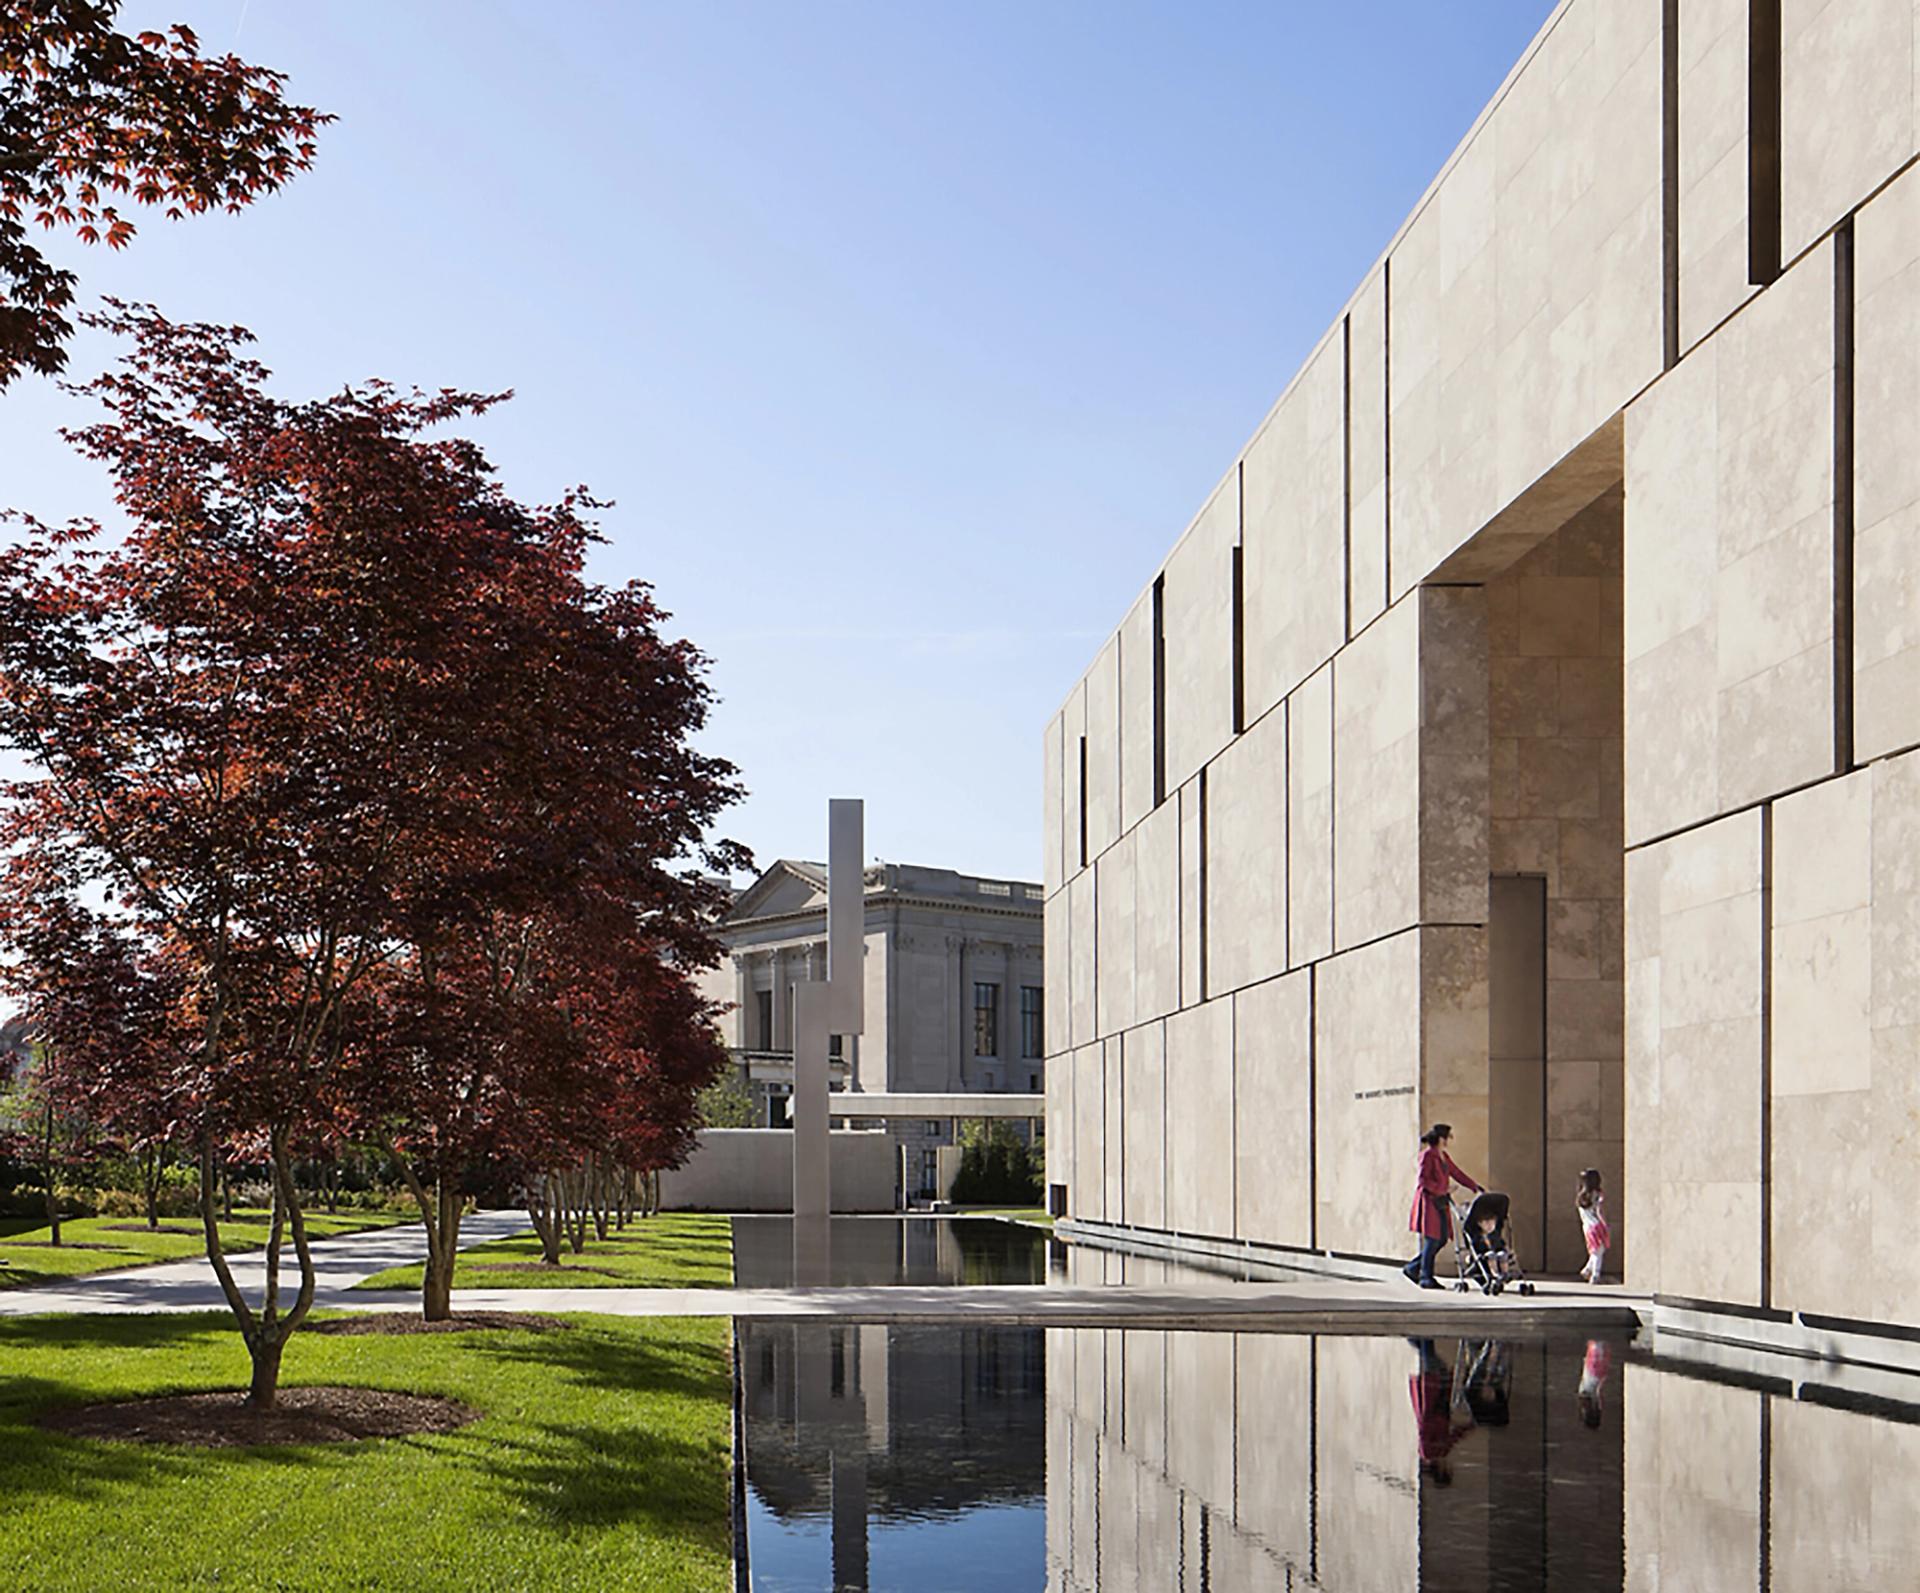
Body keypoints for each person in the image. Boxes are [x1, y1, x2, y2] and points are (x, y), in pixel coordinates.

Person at [1402, 1123, 1481, 1288]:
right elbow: (1423, 1181)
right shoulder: (1427, 1155)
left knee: (1442, 1237)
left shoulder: (1443, 1156)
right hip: (1430, 1201)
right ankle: (1425, 1276)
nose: (1448, 1141)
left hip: (1441, 1202)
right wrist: (1443, 1189)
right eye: (1447, 1137)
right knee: (1433, 1238)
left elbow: (1457, 1173)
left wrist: (1474, 1186)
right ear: (1440, 1138)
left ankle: (1412, 1268)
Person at [1576, 1167, 1610, 1284]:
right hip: (1597, 1225)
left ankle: (1587, 1269)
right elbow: (1599, 1210)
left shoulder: (1580, 1197)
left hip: (1587, 1226)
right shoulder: (1597, 1195)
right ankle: (1595, 1275)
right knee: (1598, 1251)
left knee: (1594, 1250)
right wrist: (1605, 1223)